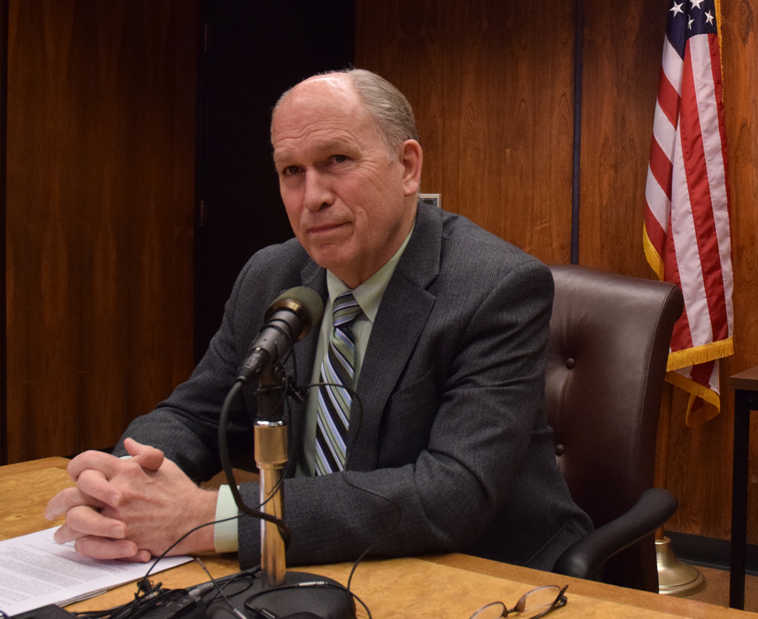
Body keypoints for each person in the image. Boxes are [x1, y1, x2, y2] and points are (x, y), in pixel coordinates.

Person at [45, 69, 592, 570]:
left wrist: (213, 518)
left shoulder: (495, 286)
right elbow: (197, 412)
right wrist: (121, 486)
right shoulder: (272, 273)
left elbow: (451, 492)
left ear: (407, 167)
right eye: (291, 171)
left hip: (478, 570)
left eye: (337, 161)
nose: (313, 197)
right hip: (311, 565)